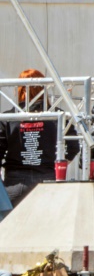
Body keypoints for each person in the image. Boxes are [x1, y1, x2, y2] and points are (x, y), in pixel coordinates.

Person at [0, 69, 60, 207]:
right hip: (48, 178)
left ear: (20, 90)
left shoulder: (8, 117)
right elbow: (73, 147)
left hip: (15, 182)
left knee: (13, 226)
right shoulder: (58, 115)